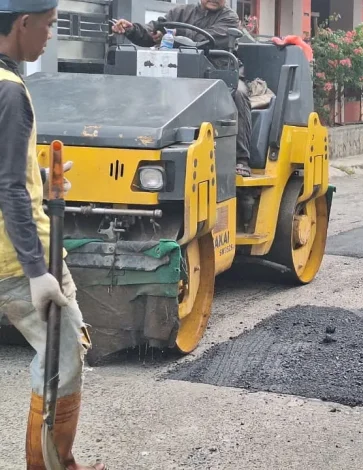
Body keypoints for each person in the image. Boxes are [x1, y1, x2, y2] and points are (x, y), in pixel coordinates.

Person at [0, 1, 106, 468]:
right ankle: (51, 464)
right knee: (63, 358)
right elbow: (6, 188)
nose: (49, 36)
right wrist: (37, 271)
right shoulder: (10, 92)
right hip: (18, 257)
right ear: (23, 24)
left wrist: (37, 177)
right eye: (47, 25)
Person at [111, 0, 253, 177]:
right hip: (180, 71)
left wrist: (173, 36)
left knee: (239, 92)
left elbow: (206, 39)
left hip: (218, 72)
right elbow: (153, 31)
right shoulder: (179, 12)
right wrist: (132, 29)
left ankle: (241, 158)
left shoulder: (229, 17)